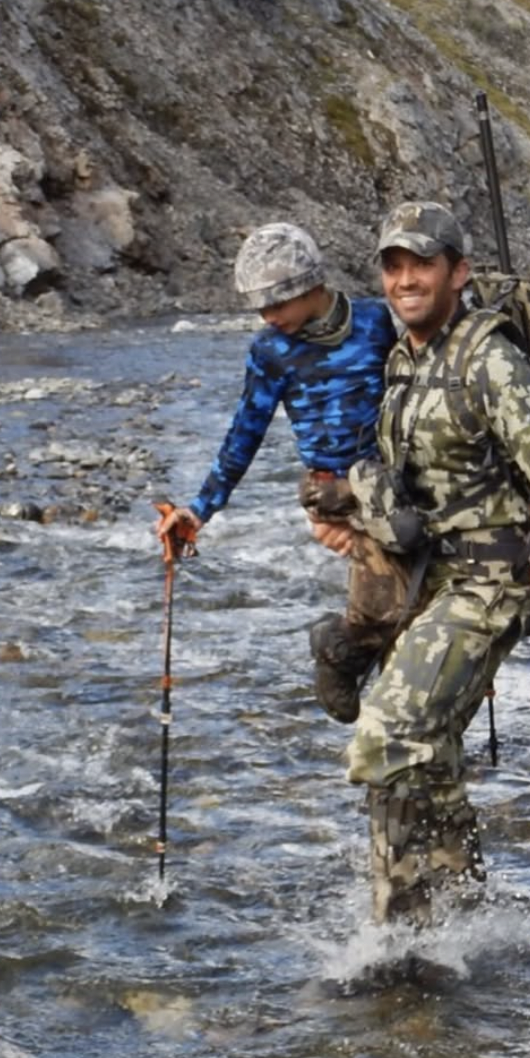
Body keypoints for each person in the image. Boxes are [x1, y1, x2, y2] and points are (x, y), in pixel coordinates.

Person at [312, 200, 530, 925]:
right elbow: (416, 483)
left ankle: (403, 941)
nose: (406, 278)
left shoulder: (489, 359)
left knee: (386, 732)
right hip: (426, 580)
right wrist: (353, 522)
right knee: (421, 756)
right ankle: (447, 916)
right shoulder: (405, 358)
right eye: (394, 265)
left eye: (422, 264)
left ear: (457, 271)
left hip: (491, 586)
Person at [155, 222, 406, 721]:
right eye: (260, 308)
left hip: (387, 479)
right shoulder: (271, 351)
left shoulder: (376, 322)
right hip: (329, 487)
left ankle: (384, 671)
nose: (270, 316)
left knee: (409, 563)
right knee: (397, 541)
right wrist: (202, 508)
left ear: (312, 285)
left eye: (277, 303)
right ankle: (344, 648)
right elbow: (246, 429)